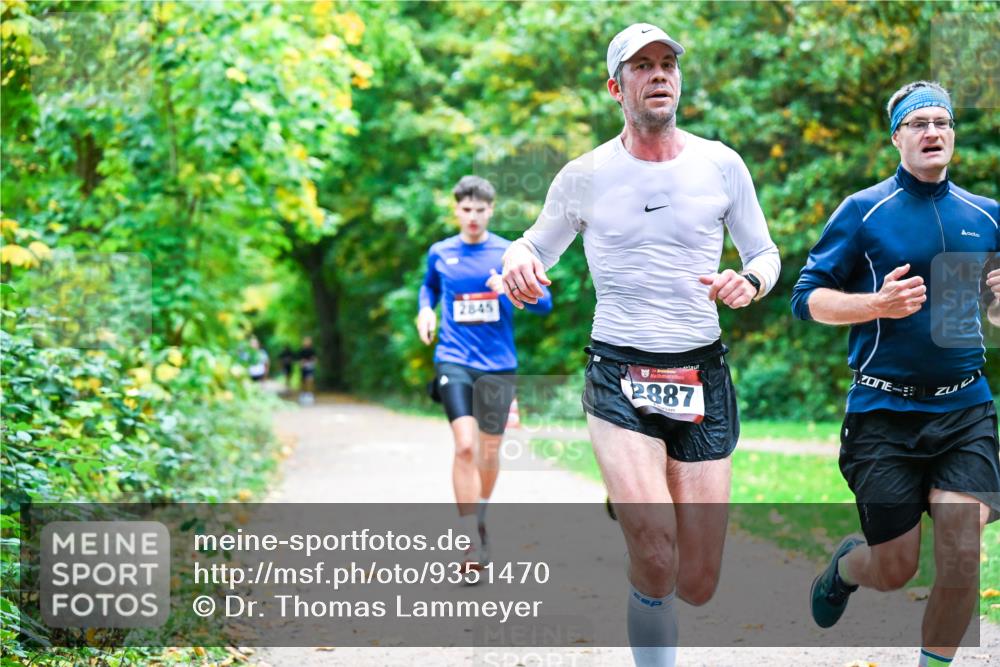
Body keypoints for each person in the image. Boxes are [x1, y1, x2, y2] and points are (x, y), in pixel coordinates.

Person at [500, 23, 780, 667]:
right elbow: (532, 244)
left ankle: (635, 508)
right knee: (656, 553)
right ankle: (639, 522)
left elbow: (763, 253)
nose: (659, 75)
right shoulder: (585, 175)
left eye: (667, 65)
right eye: (642, 66)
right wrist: (516, 261)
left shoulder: (721, 164)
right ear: (615, 86)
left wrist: (750, 281)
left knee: (698, 582)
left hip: (701, 371)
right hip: (619, 371)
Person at [791, 80, 999, 667]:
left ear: (954, 134)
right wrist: (874, 305)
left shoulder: (986, 216)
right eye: (918, 124)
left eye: (942, 122)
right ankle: (848, 566)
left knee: (961, 550)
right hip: (883, 414)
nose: (932, 132)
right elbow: (806, 299)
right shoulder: (864, 212)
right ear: (896, 137)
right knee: (895, 567)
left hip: (964, 410)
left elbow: (991, 311)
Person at [417, 175, 553, 570]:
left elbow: (543, 304)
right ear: (456, 209)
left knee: (489, 452)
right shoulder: (440, 252)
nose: (473, 217)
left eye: (480, 210)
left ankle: (478, 519)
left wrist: (508, 287)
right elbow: (428, 289)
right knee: (464, 445)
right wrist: (426, 309)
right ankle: (468, 539)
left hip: (498, 365)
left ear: (491, 210)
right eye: (466, 209)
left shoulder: (509, 252)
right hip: (453, 358)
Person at [298, 336, 316, 406]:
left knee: (310, 380)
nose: (307, 342)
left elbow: (315, 359)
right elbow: (299, 360)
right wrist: (302, 363)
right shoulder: (301, 351)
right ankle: (303, 394)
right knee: (303, 381)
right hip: (303, 368)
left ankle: (310, 394)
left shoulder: (312, 350)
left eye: (308, 341)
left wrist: (312, 362)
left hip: (310, 367)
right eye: (305, 341)